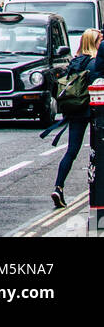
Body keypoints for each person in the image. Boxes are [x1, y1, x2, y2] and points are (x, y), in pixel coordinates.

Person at [51, 29, 102, 208]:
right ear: (94, 42)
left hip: (76, 110)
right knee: (98, 152)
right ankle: (97, 188)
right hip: (94, 113)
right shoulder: (96, 64)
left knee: (71, 151)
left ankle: (58, 187)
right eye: (100, 40)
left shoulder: (75, 61)